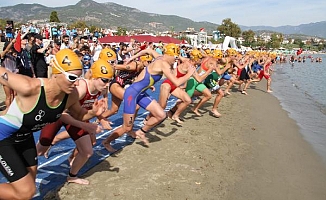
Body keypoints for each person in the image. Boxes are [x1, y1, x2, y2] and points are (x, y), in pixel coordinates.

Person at [0, 49, 105, 199]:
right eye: (71, 77)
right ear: (56, 73)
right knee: (26, 192)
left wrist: (94, 113)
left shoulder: (71, 95)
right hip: (3, 137)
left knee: (28, 186)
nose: (75, 82)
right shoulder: (29, 86)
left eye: (78, 77)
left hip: (25, 138)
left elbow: (80, 115)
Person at [102, 43, 196, 152]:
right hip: (131, 95)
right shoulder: (163, 64)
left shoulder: (159, 57)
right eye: (174, 58)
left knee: (161, 115)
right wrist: (190, 73)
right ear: (169, 55)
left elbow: (148, 50)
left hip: (140, 93)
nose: (175, 61)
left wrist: (131, 57)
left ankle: (141, 131)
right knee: (126, 127)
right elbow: (176, 82)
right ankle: (106, 141)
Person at [37, 58, 114, 185]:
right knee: (40, 150)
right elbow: (61, 113)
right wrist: (88, 124)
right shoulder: (81, 88)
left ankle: (72, 176)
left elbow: (81, 113)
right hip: (58, 116)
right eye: (105, 80)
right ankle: (22, 167)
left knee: (87, 151)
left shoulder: (101, 87)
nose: (107, 84)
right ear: (94, 77)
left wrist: (97, 115)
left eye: (109, 80)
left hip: (75, 117)